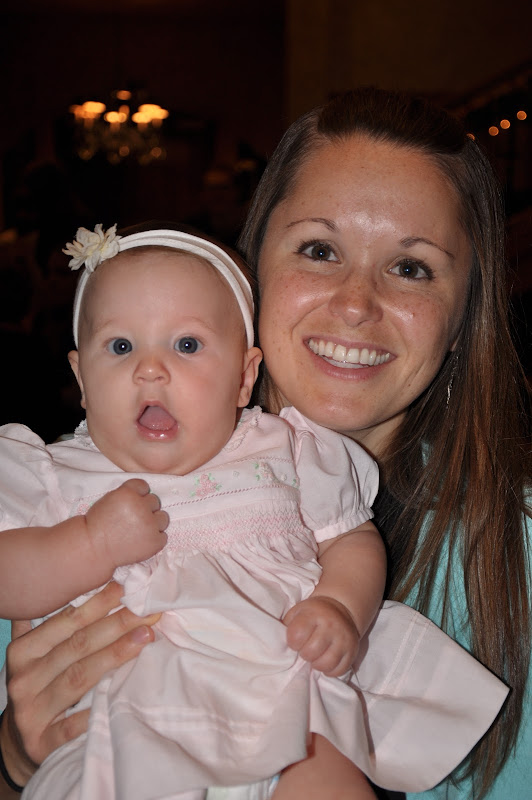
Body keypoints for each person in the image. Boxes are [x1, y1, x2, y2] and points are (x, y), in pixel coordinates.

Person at [0, 86, 529, 799]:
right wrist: (16, 760)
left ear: (464, 315)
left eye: (411, 268)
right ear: (254, 273)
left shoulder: (515, 554)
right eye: (319, 249)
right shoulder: (65, 492)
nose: (355, 303)